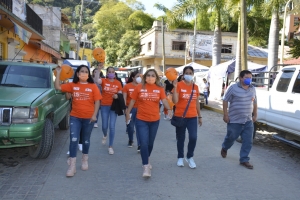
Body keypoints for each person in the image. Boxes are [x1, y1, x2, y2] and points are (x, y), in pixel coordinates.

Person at [55, 65, 102, 177]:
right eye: (82, 71)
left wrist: (94, 115)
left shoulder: (93, 86)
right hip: (75, 117)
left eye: (86, 72)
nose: (84, 73)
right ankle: (72, 166)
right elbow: (57, 87)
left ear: (88, 74)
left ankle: (85, 158)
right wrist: (58, 73)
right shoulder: (73, 85)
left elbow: (97, 102)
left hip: (89, 118)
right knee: (74, 139)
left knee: (85, 140)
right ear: (77, 74)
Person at [126, 69, 173, 178]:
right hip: (141, 119)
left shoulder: (159, 89)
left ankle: (147, 158)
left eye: (153, 76)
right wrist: (128, 113)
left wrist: (169, 109)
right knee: (143, 143)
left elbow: (164, 100)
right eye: (148, 75)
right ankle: (145, 166)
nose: (150, 77)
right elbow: (132, 100)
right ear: (145, 77)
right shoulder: (139, 87)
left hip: (154, 120)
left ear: (156, 78)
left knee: (150, 143)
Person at [221, 70, 257, 169]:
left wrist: (255, 115)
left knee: (248, 141)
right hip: (234, 120)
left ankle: (244, 159)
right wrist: (225, 114)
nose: (248, 79)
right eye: (246, 77)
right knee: (231, 137)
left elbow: (254, 103)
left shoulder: (252, 89)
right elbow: (225, 100)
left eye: (250, 77)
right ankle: (225, 147)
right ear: (241, 78)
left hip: (248, 120)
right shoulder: (233, 88)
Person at [172, 66, 202, 169]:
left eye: (190, 73)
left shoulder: (196, 87)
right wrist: (175, 88)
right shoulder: (178, 85)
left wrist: (200, 116)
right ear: (183, 74)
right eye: (187, 73)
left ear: (193, 74)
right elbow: (175, 101)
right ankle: (180, 157)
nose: (188, 74)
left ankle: (189, 156)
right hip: (180, 116)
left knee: (193, 137)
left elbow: (197, 102)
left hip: (193, 117)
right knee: (181, 138)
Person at [94, 66, 123, 155]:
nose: (111, 73)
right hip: (104, 106)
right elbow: (96, 80)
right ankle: (105, 135)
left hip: (113, 106)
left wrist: (117, 96)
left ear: (114, 73)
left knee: (112, 126)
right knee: (104, 126)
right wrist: (98, 70)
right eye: (109, 72)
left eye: (112, 72)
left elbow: (120, 94)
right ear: (107, 73)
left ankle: (110, 146)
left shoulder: (118, 83)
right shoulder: (103, 81)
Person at [122, 71, 141, 150]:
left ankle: (139, 144)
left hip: (140, 109)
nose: (139, 78)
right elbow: (124, 98)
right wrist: (125, 109)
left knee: (139, 127)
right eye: (137, 76)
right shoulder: (127, 86)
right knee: (130, 126)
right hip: (130, 108)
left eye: (139, 76)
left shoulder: (142, 86)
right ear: (133, 78)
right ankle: (130, 140)